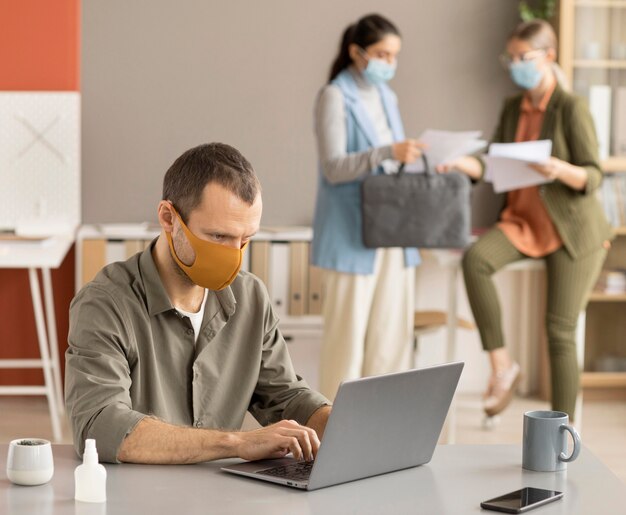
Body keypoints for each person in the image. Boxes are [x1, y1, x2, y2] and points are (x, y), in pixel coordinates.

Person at [65, 143, 331, 464]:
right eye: (219, 237)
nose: (234, 255)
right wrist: (236, 442)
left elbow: (284, 396)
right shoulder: (105, 303)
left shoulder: (251, 297)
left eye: (245, 239)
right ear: (168, 218)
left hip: (222, 495)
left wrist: (341, 423)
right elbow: (99, 425)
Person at [438, 20, 613, 420]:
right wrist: (466, 163)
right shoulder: (512, 107)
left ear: (548, 57)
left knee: (560, 331)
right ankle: (503, 366)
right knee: (475, 259)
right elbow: (495, 162)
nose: (515, 65)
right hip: (522, 222)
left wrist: (559, 169)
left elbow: (593, 174)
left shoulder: (571, 107)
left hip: (571, 230)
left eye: (523, 58)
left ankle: (560, 434)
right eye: (511, 58)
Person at [311, 14, 425, 400]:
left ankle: (383, 432)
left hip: (392, 232)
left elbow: (392, 163)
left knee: (390, 341)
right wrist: (386, 152)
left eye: (394, 55)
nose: (389, 63)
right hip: (350, 235)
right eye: (382, 54)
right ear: (356, 52)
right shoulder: (334, 95)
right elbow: (334, 167)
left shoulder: (386, 96)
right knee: (347, 345)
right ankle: (334, 434)